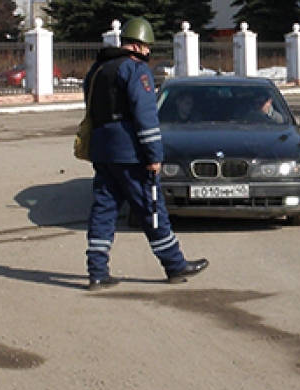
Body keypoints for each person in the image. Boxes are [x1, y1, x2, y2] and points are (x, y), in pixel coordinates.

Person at [81, 17, 209, 290]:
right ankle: (175, 265)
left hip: (102, 150)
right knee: (152, 208)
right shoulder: (135, 70)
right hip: (130, 153)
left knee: (103, 210)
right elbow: (146, 117)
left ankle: (97, 272)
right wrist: (153, 155)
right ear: (139, 46)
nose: (149, 53)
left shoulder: (97, 70)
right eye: (148, 47)